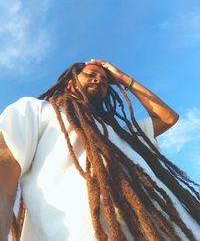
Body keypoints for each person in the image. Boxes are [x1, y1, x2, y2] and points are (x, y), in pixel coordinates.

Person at [0, 59, 199, 241]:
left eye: (105, 81)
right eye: (91, 75)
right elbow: (4, 170)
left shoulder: (121, 133)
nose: (99, 80)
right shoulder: (37, 110)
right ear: (70, 83)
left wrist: (122, 78)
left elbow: (167, 118)